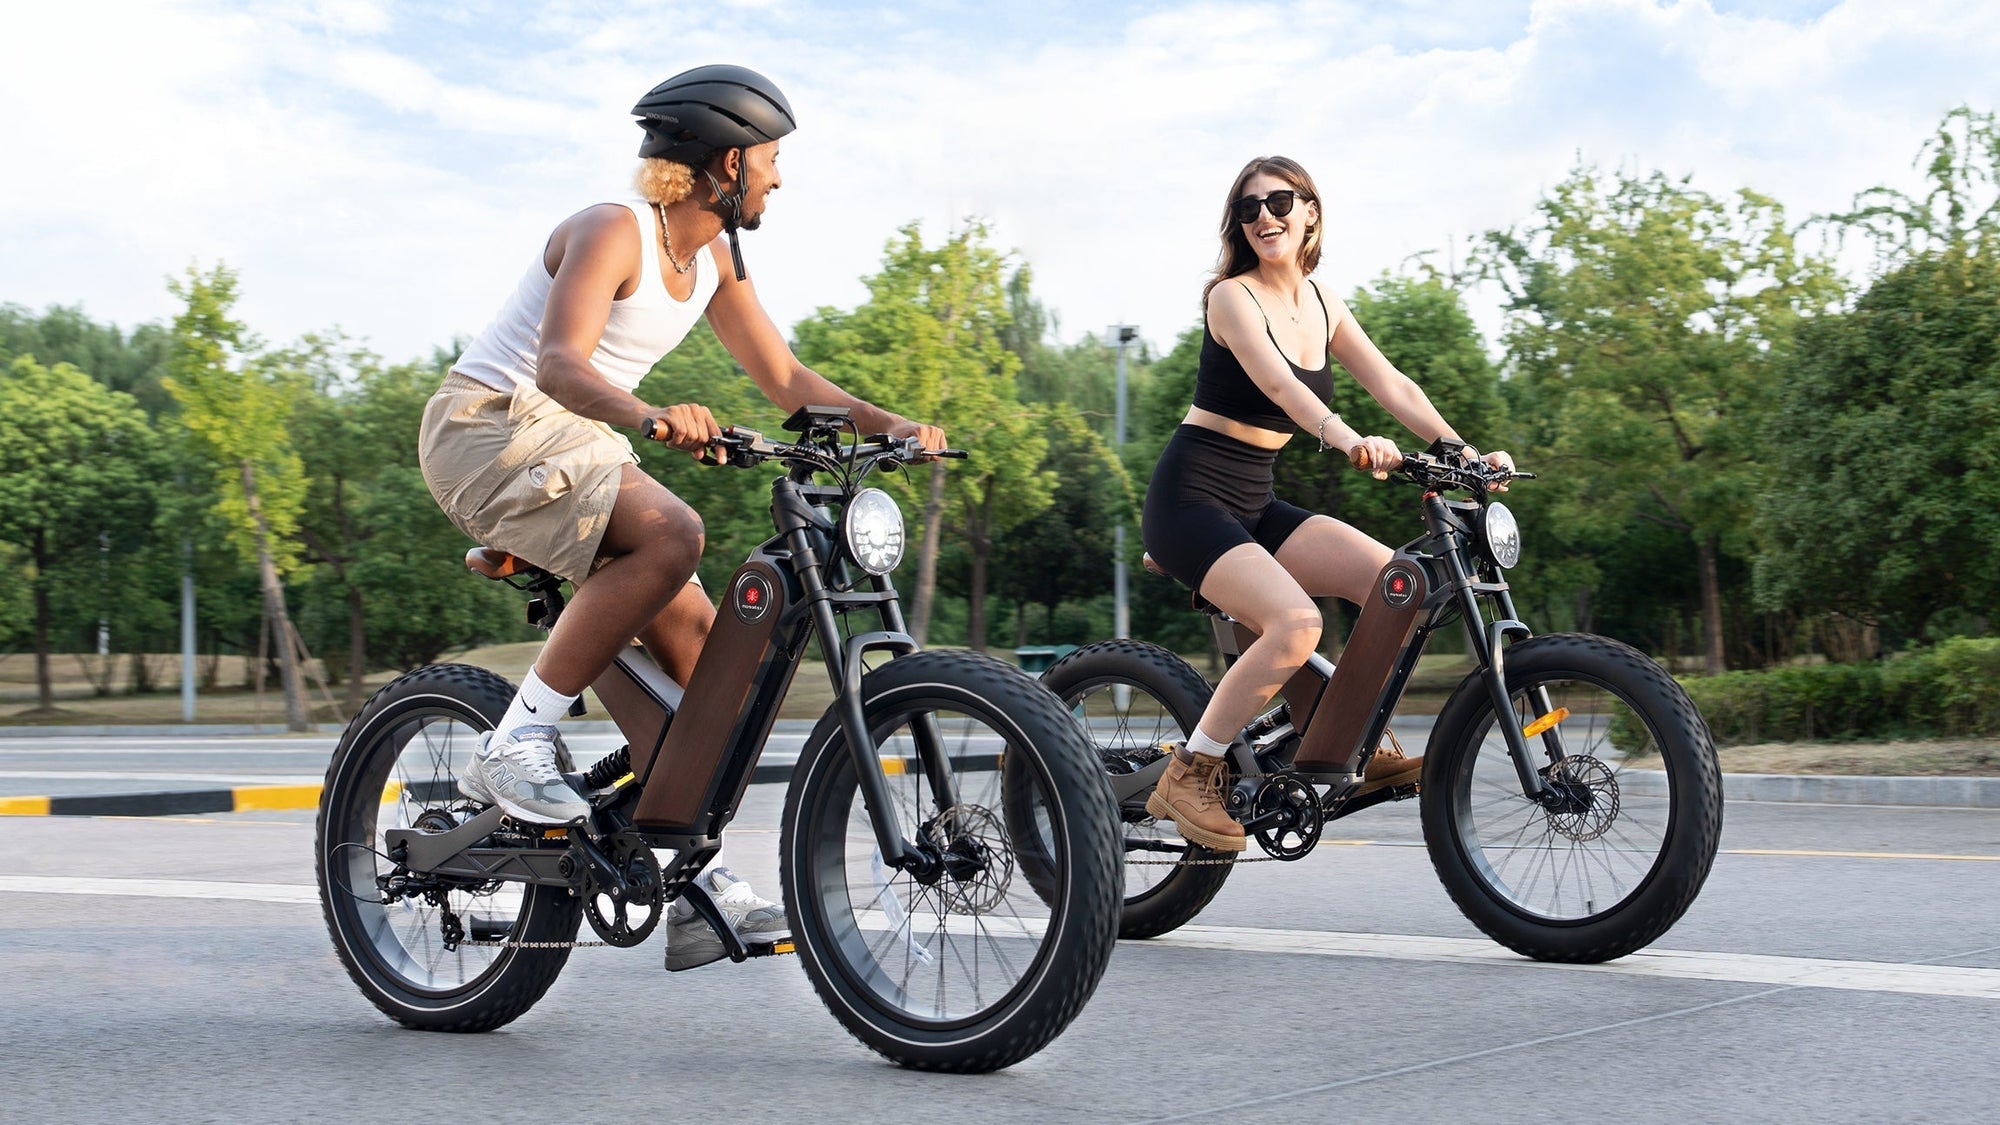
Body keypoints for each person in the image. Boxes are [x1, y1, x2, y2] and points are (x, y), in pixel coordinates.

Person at [417, 65, 944, 967]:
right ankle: (515, 744)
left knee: (710, 656)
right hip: (490, 428)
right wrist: (656, 418)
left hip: (578, 445)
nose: (779, 178)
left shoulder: (715, 261)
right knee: (674, 532)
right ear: (727, 164)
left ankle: (690, 871)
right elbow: (557, 365)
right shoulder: (611, 231)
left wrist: (890, 425)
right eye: (772, 160)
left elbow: (785, 382)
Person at [1139, 156, 1512, 852]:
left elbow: (1391, 384)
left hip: (1254, 497)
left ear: (1310, 209)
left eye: (1279, 201)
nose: (1264, 217)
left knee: (1402, 586)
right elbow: (1282, 386)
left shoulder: (1323, 300)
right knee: (1296, 623)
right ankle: (1190, 772)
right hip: (1191, 497)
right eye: (1247, 209)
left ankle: (1342, 745)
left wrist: (1463, 452)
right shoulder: (1230, 297)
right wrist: (1345, 440)